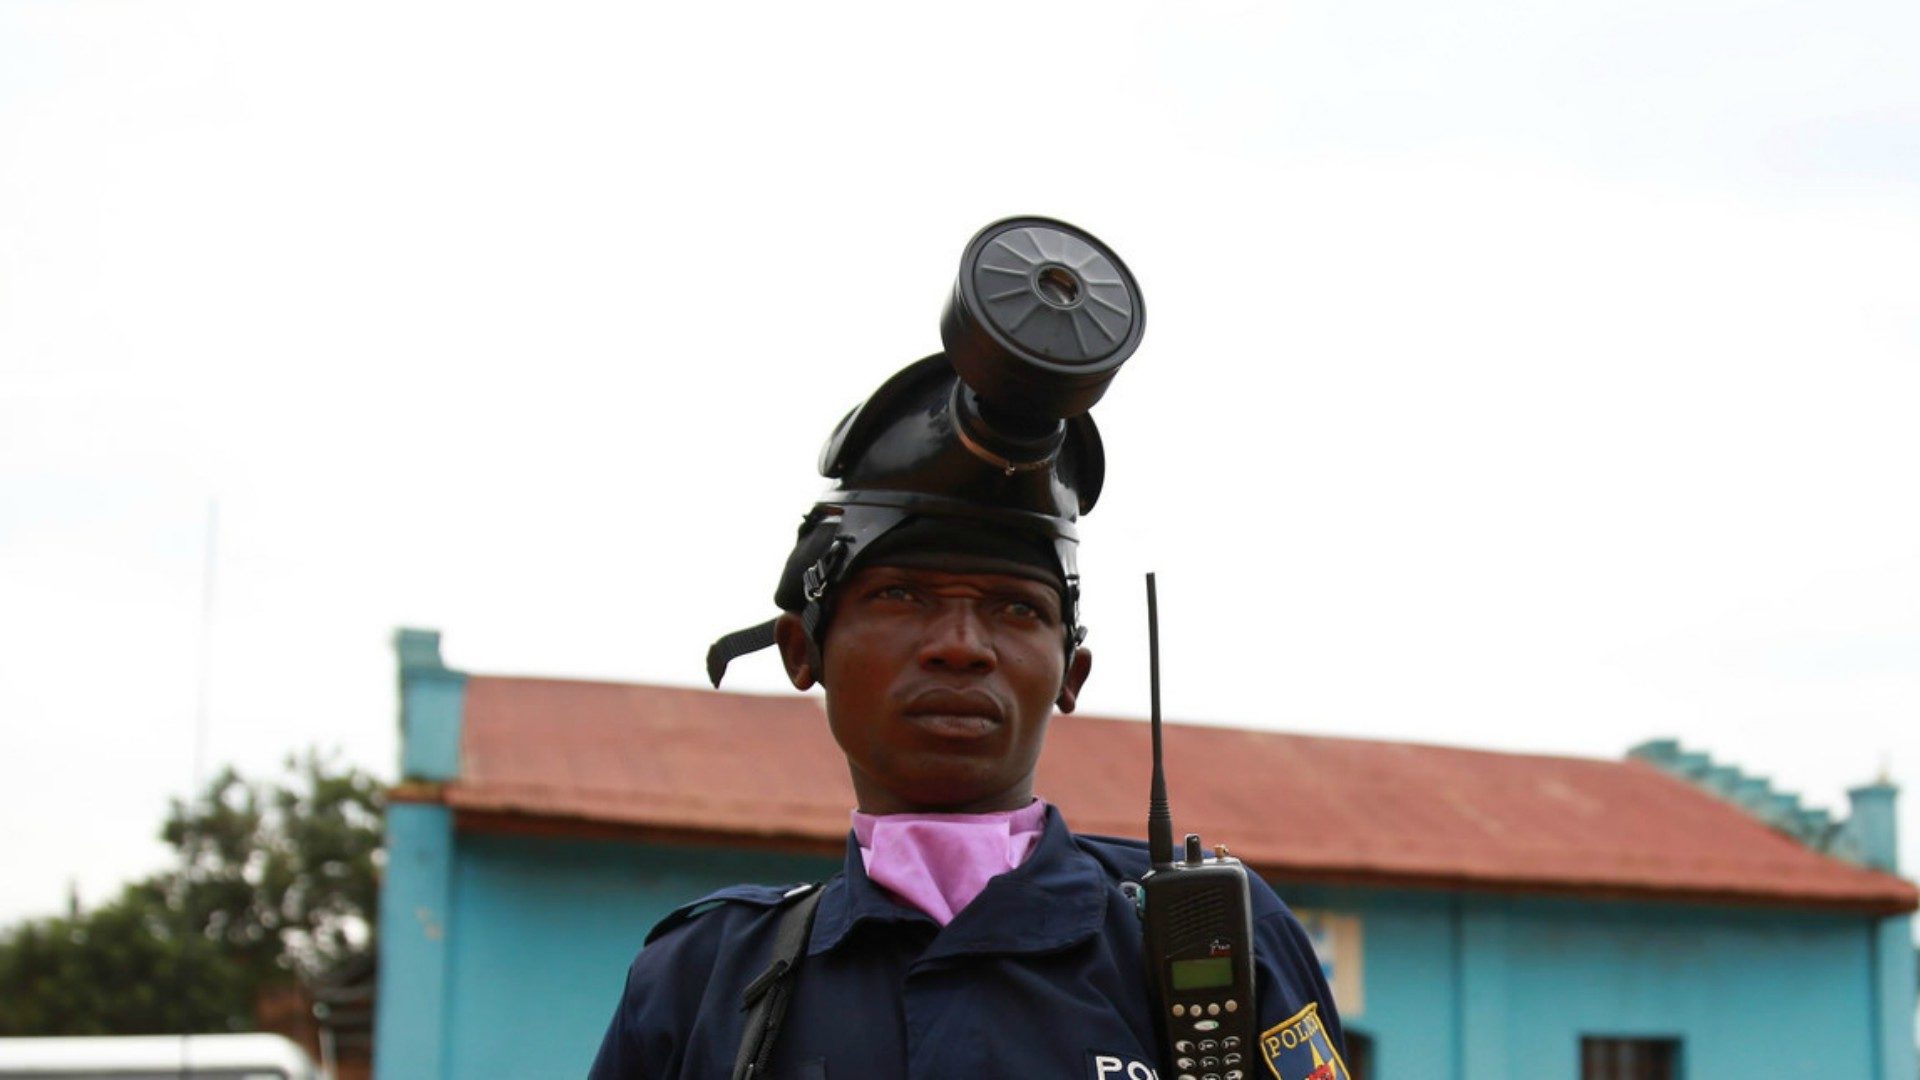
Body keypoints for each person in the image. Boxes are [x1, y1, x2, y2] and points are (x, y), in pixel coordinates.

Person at [588, 218, 1349, 1080]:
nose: (960, 647)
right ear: (804, 652)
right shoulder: (702, 978)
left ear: (1072, 674)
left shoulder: (1207, 936)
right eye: (901, 596)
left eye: (1015, 610)